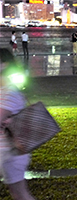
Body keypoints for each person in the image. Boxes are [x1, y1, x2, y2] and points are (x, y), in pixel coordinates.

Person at [0, 48, 35, 200]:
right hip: (7, 151)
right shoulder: (4, 90)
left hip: (10, 152)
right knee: (19, 194)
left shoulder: (9, 92)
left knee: (20, 194)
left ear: (4, 65)